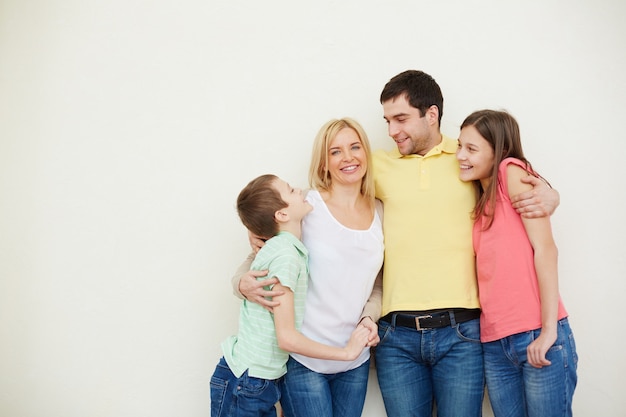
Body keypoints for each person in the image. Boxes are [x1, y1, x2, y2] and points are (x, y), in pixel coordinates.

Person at [371, 70, 561, 417]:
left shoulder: (466, 161)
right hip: (395, 335)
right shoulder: (376, 165)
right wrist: (256, 243)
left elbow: (511, 175)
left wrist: (550, 193)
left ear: (431, 114)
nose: (391, 131)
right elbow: (325, 205)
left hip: (462, 333)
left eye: (400, 119)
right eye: (387, 121)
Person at [231, 118, 385, 417]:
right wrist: (240, 284)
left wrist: (369, 318)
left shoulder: (380, 209)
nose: (348, 157)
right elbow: (256, 259)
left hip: (355, 360)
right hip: (304, 360)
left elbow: (378, 283)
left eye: (355, 147)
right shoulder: (306, 207)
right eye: (336, 151)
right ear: (324, 162)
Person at [210, 174, 370, 417]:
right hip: (246, 381)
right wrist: (346, 353)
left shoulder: (284, 248)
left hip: (259, 380)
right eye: (292, 190)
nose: (300, 191)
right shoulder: (286, 256)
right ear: (282, 215)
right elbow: (287, 338)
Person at [456, 109, 577, 417]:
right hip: (495, 343)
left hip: (536, 332)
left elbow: (546, 250)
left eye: (471, 148)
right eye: (459, 146)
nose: (460, 155)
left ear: (499, 151)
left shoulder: (511, 171)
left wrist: (548, 331)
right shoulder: (481, 198)